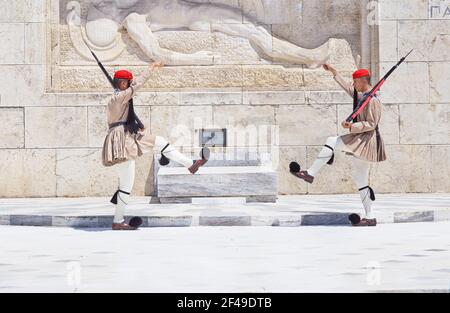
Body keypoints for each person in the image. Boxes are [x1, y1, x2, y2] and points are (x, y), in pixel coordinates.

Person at [102, 61, 208, 230]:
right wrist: (150, 69)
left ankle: (191, 164)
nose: (130, 85)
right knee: (126, 185)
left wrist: (136, 125)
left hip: (128, 135)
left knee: (159, 141)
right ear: (123, 84)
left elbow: (124, 117)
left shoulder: (119, 98)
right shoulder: (118, 98)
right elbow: (138, 85)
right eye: (128, 83)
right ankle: (118, 221)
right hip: (121, 142)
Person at [291, 64, 386, 226]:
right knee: (360, 179)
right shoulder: (362, 96)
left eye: (355, 82)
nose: (353, 85)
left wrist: (351, 126)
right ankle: (370, 217)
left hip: (366, 140)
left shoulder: (373, 101)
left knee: (332, 141)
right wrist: (335, 73)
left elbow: (372, 123)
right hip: (361, 140)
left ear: (363, 81)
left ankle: (310, 173)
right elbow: (347, 88)